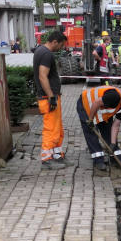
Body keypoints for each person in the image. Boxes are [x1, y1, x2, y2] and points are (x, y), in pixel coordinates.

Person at [78, 85, 121, 172]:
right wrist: (90, 120)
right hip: (86, 104)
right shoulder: (114, 96)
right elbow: (96, 103)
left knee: (108, 132)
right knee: (91, 133)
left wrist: (112, 143)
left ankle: (116, 160)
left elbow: (115, 125)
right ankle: (98, 160)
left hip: (101, 110)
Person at [33, 29, 67, 169]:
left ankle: (57, 154)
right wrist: (51, 96)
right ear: (54, 42)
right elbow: (42, 76)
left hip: (49, 96)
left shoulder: (40, 51)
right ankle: (46, 159)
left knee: (57, 128)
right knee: (51, 128)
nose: (61, 48)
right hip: (48, 98)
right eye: (61, 45)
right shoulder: (46, 54)